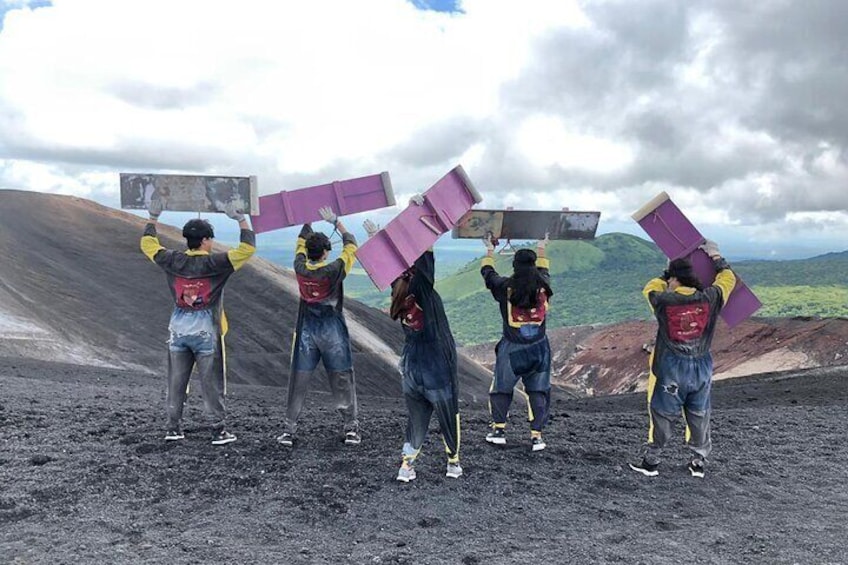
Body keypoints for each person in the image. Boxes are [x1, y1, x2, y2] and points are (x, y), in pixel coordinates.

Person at [140, 198, 256, 445]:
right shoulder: (216, 263)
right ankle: (218, 430)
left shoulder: (172, 260)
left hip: (178, 328)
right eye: (210, 239)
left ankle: (173, 428)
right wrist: (241, 219)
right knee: (212, 381)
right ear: (205, 241)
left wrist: (152, 218)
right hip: (207, 330)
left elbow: (147, 244)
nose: (211, 243)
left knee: (176, 380)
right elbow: (247, 249)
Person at [364, 198, 462, 483]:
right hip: (436, 367)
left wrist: (376, 237)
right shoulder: (423, 291)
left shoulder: (398, 294)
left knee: (416, 420)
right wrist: (417, 215)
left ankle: (406, 466)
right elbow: (424, 249)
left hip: (411, 368)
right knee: (448, 413)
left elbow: (391, 265)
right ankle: (453, 463)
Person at [629, 239, 736, 478]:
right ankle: (698, 463)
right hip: (701, 367)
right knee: (699, 414)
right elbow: (728, 279)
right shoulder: (711, 298)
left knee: (662, 413)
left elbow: (649, 287)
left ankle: (651, 462)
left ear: (674, 280)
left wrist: (668, 271)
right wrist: (716, 256)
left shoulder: (663, 301)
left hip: (670, 368)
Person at [277, 206, 360, 447]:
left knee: (298, 380)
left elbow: (300, 243)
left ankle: (289, 430)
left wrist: (307, 218)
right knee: (342, 377)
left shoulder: (299, 266)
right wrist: (337, 222)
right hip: (332, 330)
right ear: (325, 253)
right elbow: (351, 246)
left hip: (306, 332)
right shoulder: (334, 270)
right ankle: (351, 429)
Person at [480, 233, 553, 452]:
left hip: (512, 349)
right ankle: (537, 436)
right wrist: (542, 246)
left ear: (514, 265)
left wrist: (489, 251)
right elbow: (544, 270)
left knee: (501, 389)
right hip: (540, 349)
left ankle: (499, 430)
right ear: (533, 266)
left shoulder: (505, 287)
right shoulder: (544, 287)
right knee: (538, 390)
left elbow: (488, 275)